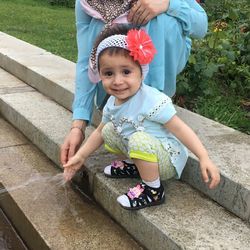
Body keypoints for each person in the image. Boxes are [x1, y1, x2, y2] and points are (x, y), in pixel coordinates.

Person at [63, 27, 220, 210]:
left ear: (141, 72)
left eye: (126, 72)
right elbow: (99, 132)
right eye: (108, 73)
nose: (117, 81)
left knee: (138, 139)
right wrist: (81, 156)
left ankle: (153, 190)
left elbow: (180, 129)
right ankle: (136, 166)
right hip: (144, 147)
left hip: (166, 158)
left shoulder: (152, 100)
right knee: (108, 130)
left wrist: (204, 157)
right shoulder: (113, 102)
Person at [60, 0, 208, 166]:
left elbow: (201, 27)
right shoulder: (86, 3)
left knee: (162, 20)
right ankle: (120, 93)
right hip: (116, 81)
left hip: (159, 63)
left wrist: (167, 4)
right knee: (97, 24)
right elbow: (86, 60)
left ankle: (152, 104)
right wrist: (78, 126)